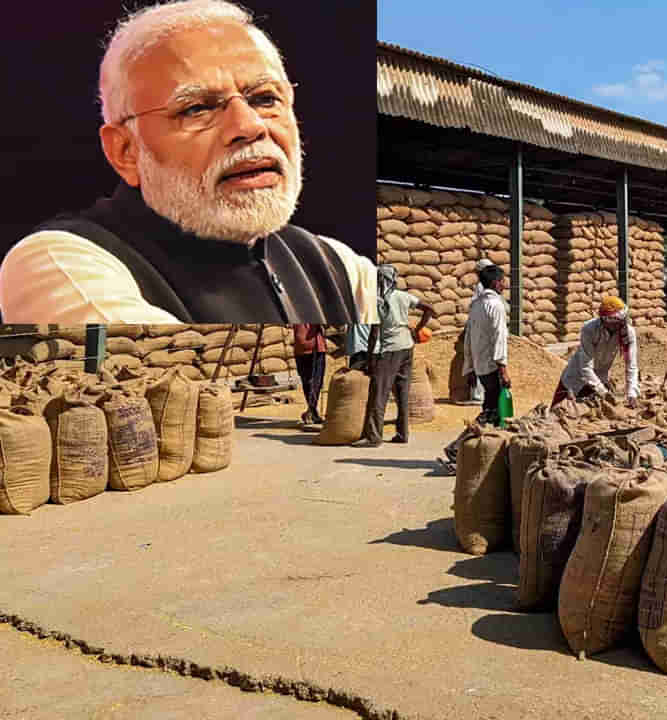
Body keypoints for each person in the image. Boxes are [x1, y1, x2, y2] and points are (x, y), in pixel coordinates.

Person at [0, 0, 377, 324]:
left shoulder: (337, 267)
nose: (248, 127)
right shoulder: (62, 263)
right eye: (196, 109)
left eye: (265, 99)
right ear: (125, 152)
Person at [353, 265, 430, 447]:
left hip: (389, 350)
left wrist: (371, 359)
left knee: (378, 393)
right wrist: (418, 329)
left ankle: (373, 437)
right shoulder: (403, 296)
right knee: (402, 392)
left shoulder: (378, 301)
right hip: (407, 347)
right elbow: (429, 308)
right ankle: (402, 433)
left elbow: (374, 333)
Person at [552, 297, 639, 408]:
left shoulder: (628, 332)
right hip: (575, 380)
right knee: (557, 416)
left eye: (623, 319)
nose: (622, 323)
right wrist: (603, 392)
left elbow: (631, 366)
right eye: (618, 321)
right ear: (606, 321)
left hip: (600, 379)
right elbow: (586, 367)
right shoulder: (589, 330)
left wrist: (632, 394)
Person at [462, 264, 511, 426]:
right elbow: (500, 337)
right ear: (496, 283)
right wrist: (502, 369)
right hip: (492, 365)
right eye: (503, 281)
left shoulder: (476, 305)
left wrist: (470, 367)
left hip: (479, 365)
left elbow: (469, 337)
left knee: (491, 407)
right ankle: (458, 446)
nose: (505, 285)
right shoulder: (496, 306)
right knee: (492, 410)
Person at [460, 258, 494, 406]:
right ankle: (478, 394)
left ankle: (478, 394)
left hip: (479, 329)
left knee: (478, 360)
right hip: (480, 329)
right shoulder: (483, 287)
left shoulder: (482, 286)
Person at [293, 324, 326, 425]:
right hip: (315, 347)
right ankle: (311, 411)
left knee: (306, 381)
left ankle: (313, 412)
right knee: (316, 381)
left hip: (299, 347)